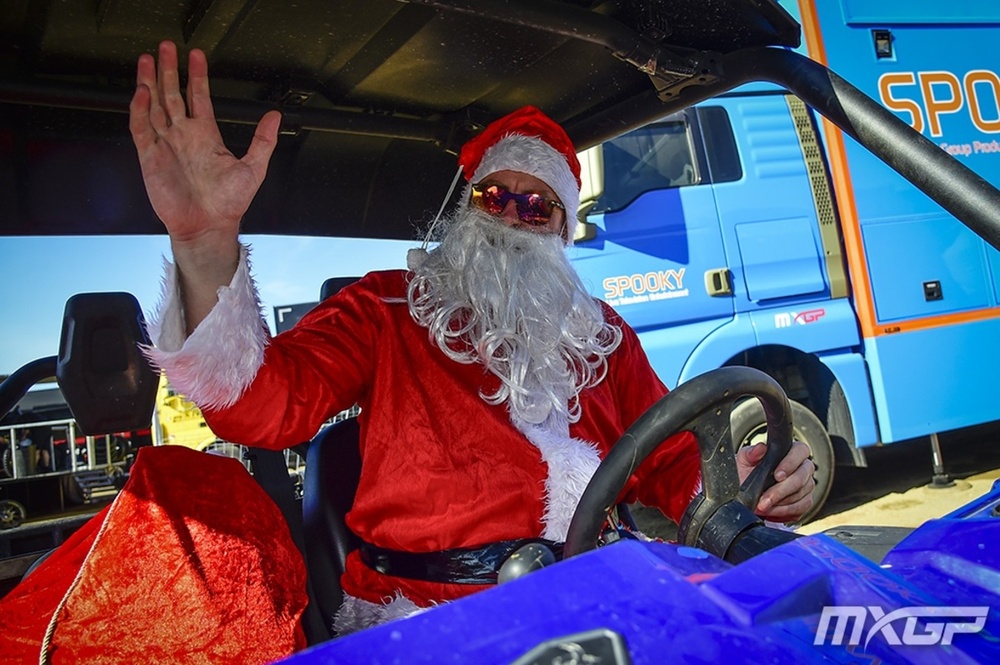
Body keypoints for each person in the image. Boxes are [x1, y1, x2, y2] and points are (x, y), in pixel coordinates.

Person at [130, 41, 815, 635]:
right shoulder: (388, 309)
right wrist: (206, 241)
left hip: (598, 596)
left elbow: (671, 461)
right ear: (466, 209)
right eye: (496, 197)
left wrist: (749, 477)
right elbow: (259, 405)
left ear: (562, 228)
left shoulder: (601, 337)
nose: (514, 217)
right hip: (432, 620)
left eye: (536, 203)